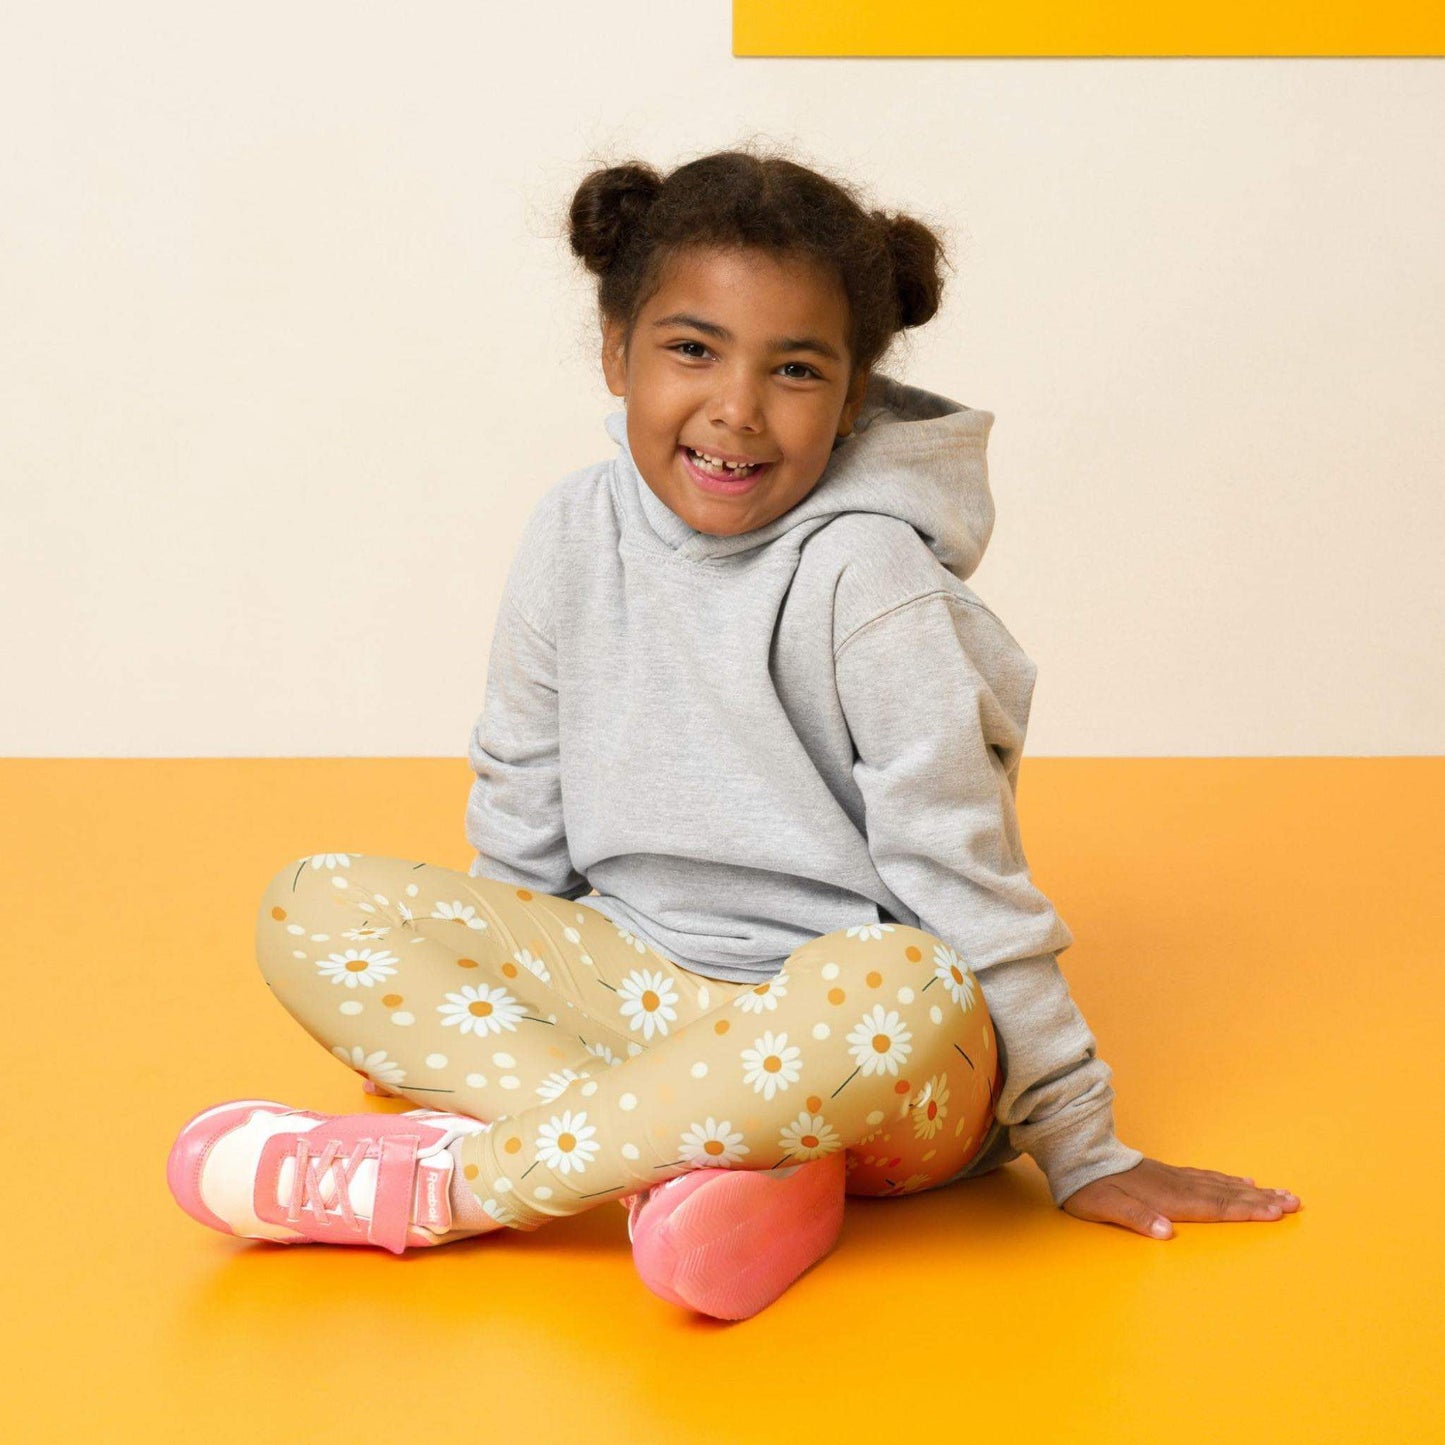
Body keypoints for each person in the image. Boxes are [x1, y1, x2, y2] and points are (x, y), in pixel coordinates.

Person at [166, 145, 1301, 1320]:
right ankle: (718, 1173)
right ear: (614, 352)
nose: (735, 409)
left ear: (852, 396)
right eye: (691, 348)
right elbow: (523, 800)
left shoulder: (867, 576)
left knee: (902, 980)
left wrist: (1079, 1142)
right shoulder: (570, 531)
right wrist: (479, 976)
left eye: (795, 369)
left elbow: (963, 876)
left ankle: (459, 1183)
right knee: (312, 904)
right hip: (640, 1002)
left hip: (862, 1057)